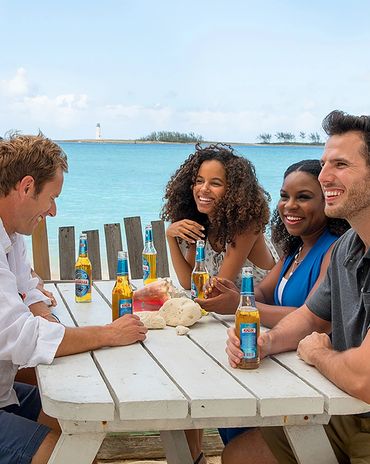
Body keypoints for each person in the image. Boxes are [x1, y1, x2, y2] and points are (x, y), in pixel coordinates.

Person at [224, 110, 370, 464]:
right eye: (324, 164)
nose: (325, 176)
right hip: (348, 411)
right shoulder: (348, 247)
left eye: (341, 164)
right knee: (238, 456)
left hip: (359, 403)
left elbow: (365, 378)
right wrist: (266, 343)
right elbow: (310, 318)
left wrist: (318, 354)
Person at [0, 134, 148, 464]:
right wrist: (109, 334)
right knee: (69, 455)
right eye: (51, 198)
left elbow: (29, 286)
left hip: (3, 390)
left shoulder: (11, 231)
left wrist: (49, 322)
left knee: (75, 423)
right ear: (26, 187)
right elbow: (21, 336)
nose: (53, 211)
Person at [161, 143, 278, 292]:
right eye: (199, 181)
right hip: (226, 310)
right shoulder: (202, 223)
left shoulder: (246, 225)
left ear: (233, 190)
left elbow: (220, 287)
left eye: (215, 183)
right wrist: (170, 236)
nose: (203, 189)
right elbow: (189, 283)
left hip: (258, 309)